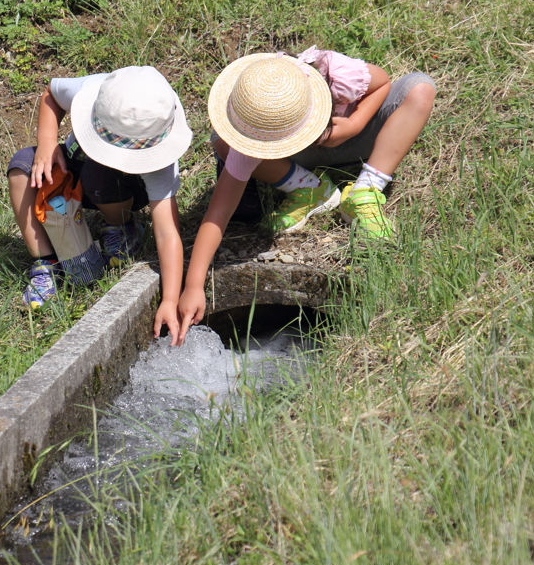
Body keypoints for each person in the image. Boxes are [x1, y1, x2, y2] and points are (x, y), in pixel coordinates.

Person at [177, 48, 435, 343]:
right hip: (299, 156)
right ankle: (311, 189)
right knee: (219, 141)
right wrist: (195, 284)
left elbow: (382, 82)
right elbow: (218, 214)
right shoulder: (256, 133)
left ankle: (366, 188)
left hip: (344, 137)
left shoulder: (335, 73)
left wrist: (354, 124)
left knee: (420, 87)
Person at [7, 65, 193, 343]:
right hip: (76, 168)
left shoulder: (158, 143)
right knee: (22, 167)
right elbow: (51, 95)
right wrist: (47, 143)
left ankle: (120, 227)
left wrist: (170, 298)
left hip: (123, 187)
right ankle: (47, 262)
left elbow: (168, 233)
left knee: (100, 173)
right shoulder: (93, 89)